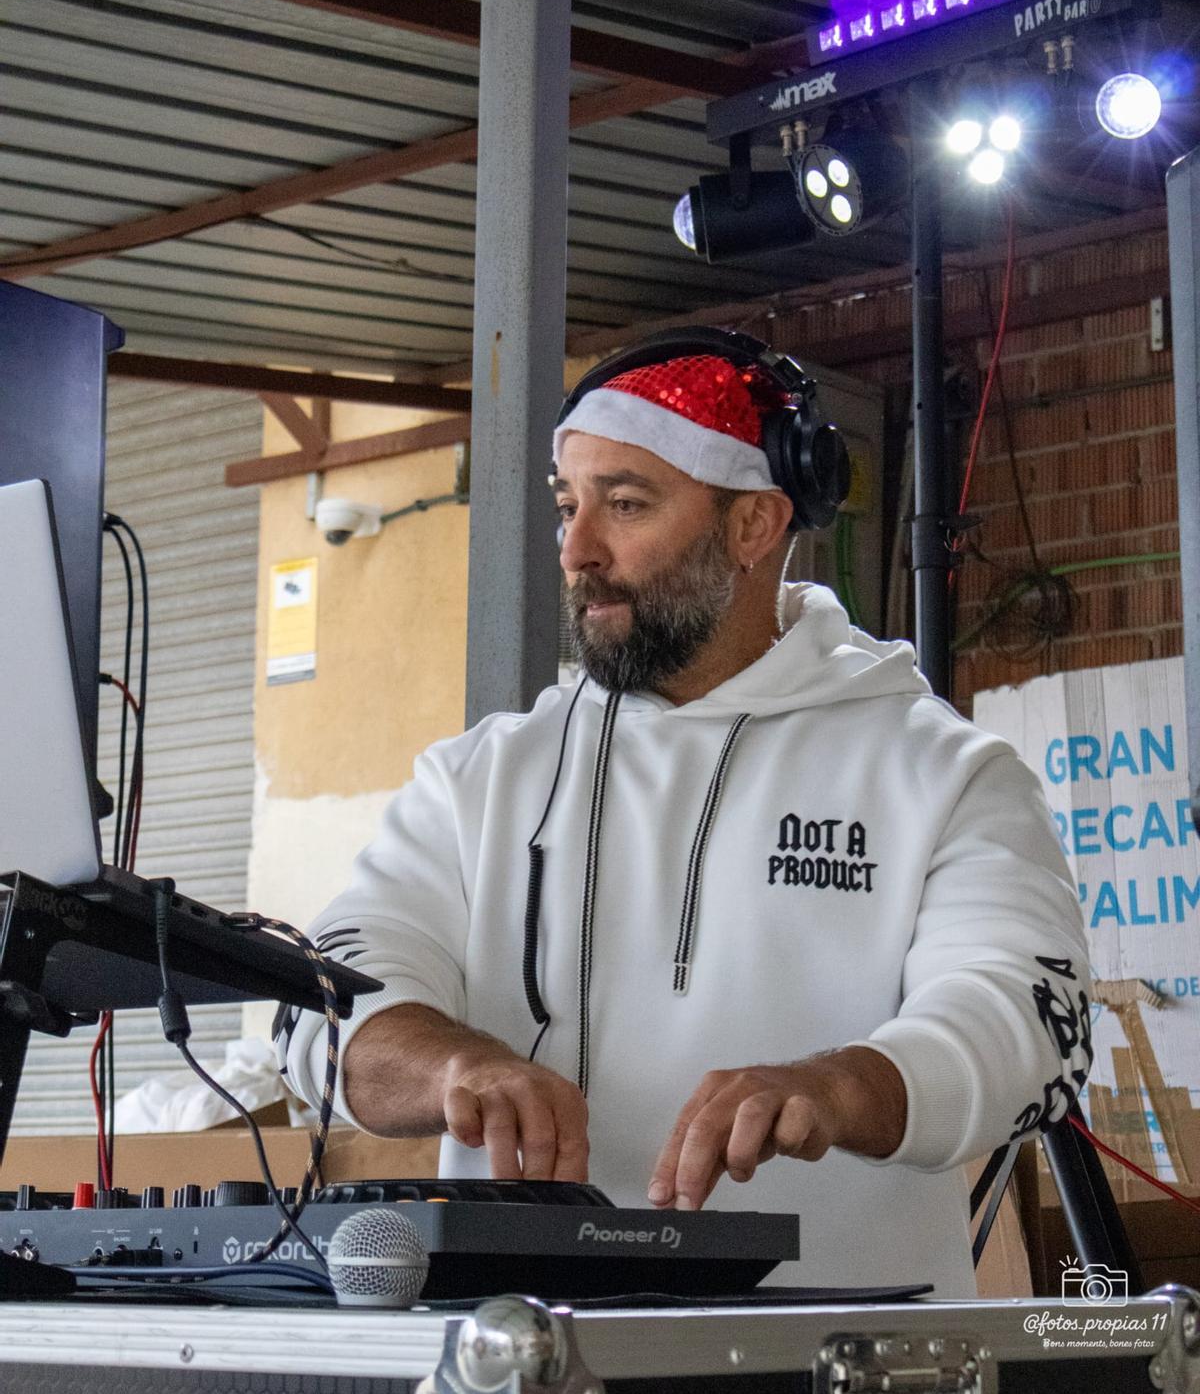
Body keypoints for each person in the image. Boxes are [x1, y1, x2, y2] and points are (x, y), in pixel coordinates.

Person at [278, 330, 1091, 1297]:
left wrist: (837, 1087)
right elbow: (325, 1000)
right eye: (568, 506)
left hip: (843, 1355)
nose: (579, 549)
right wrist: (454, 1068)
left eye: (626, 504)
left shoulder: (943, 771)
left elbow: (1032, 1023)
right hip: (516, 1349)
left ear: (753, 525)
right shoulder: (480, 778)